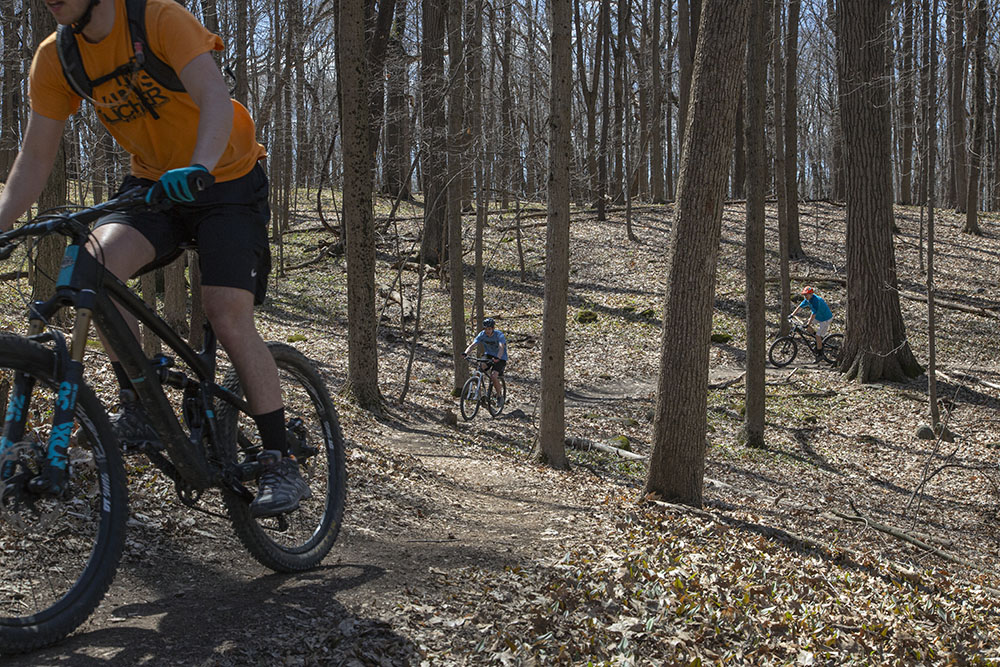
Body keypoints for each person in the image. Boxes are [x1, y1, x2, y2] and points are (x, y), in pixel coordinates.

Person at [0, 0, 307, 518]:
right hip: (153, 185)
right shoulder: (58, 57)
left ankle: (280, 459)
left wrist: (200, 166)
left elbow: (213, 96)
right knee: (89, 264)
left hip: (227, 177)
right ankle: (137, 407)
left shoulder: (157, 17)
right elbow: (34, 158)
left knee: (226, 313)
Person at [463, 317, 507, 409]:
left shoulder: (499, 335)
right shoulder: (482, 335)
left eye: (489, 329)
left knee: (494, 376)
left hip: (500, 357)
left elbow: (501, 347)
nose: (487, 331)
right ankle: (479, 393)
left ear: (493, 328)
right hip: (489, 355)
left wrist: (498, 357)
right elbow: (472, 345)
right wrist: (466, 353)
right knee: (479, 371)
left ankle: (499, 396)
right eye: (486, 329)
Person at [790, 286, 833, 354]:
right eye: (804, 295)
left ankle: (820, 353)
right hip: (819, 317)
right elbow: (800, 307)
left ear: (811, 294)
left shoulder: (815, 301)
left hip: (826, 319)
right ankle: (818, 340)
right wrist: (792, 314)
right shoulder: (808, 299)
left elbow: (813, 314)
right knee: (805, 325)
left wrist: (808, 324)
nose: (805, 296)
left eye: (806, 295)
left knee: (818, 335)